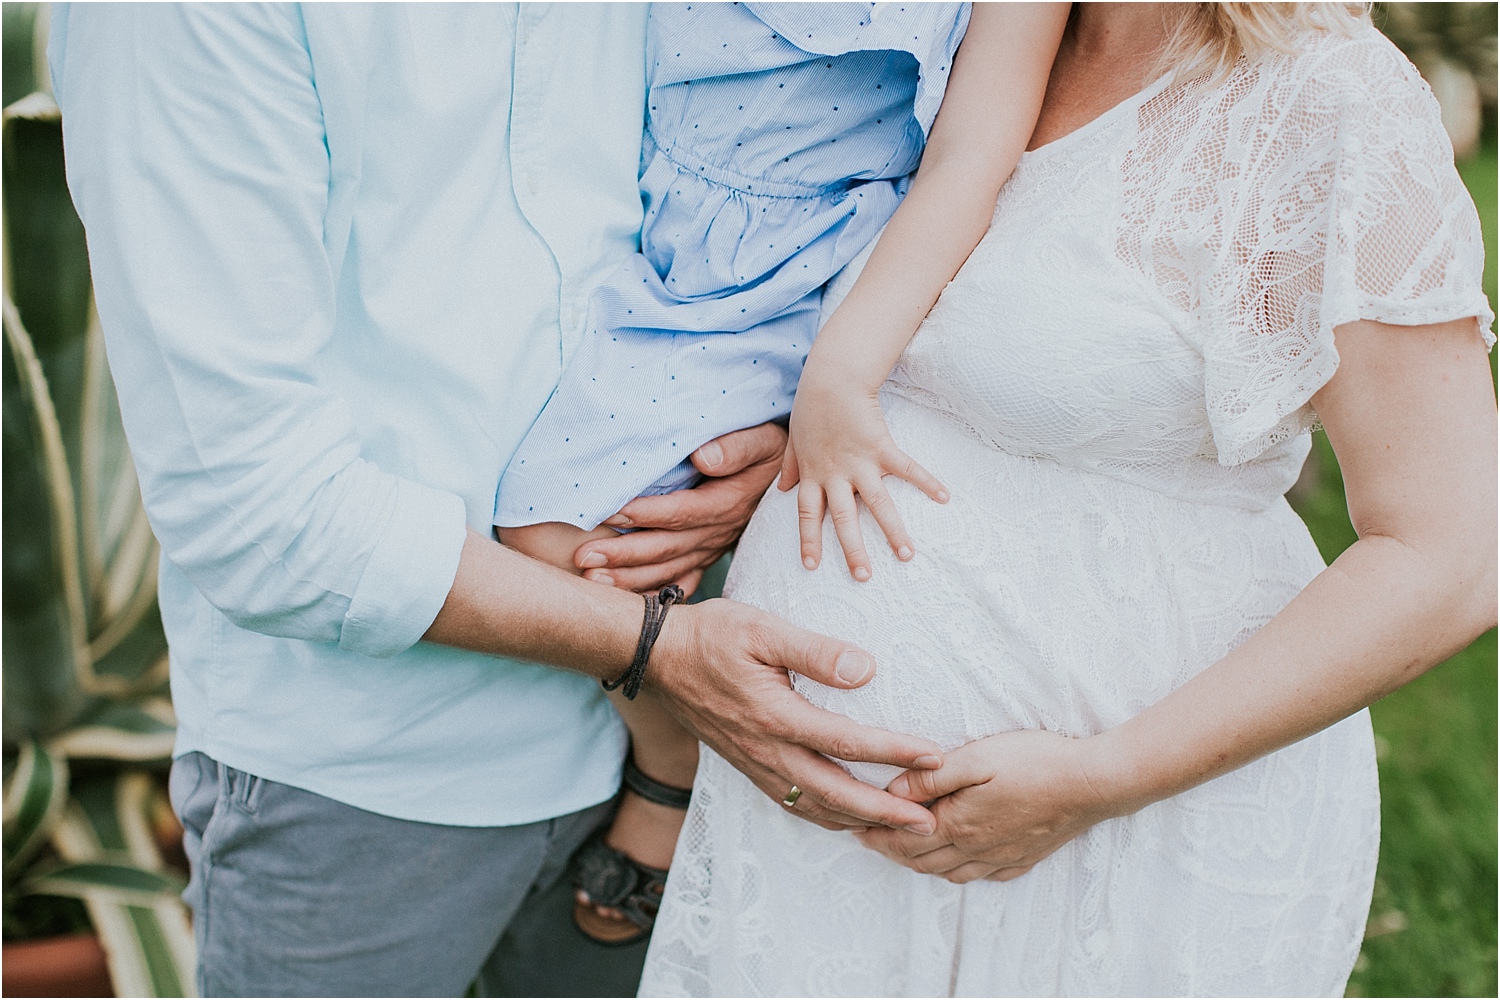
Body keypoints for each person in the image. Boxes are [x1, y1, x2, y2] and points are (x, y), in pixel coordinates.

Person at [47, 6, 950, 996]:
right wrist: (655, 651)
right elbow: (254, 508)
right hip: (372, 784)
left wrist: (749, 445)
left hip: (669, 746)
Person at [642, 2, 1498, 995]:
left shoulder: (1332, 98)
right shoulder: (960, 27)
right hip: (833, 846)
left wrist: (1104, 778)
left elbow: (1454, 558)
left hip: (1101, 842)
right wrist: (790, 443)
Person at [494, 1, 1069, 946]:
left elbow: (972, 156)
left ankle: (667, 756)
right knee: (574, 529)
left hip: (812, 258)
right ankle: (663, 703)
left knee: (560, 536)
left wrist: (837, 376)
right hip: (644, 206)